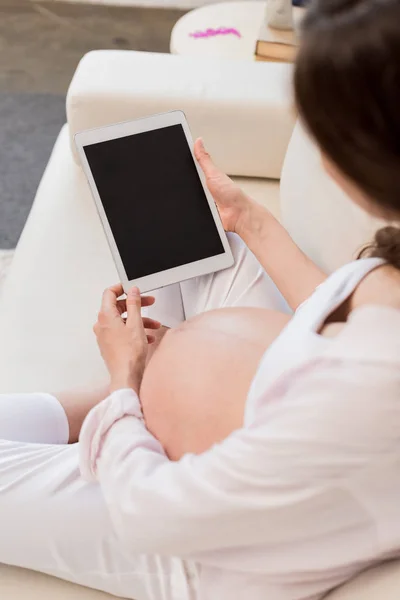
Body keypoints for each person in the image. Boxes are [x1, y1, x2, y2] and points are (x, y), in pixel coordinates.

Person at [1, 0, 400, 599]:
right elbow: (339, 317)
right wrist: (251, 221)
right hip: (263, 381)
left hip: (207, 552)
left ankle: (110, 398)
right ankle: (106, 394)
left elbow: (150, 514)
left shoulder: (365, 393)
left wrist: (124, 384)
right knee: (198, 240)